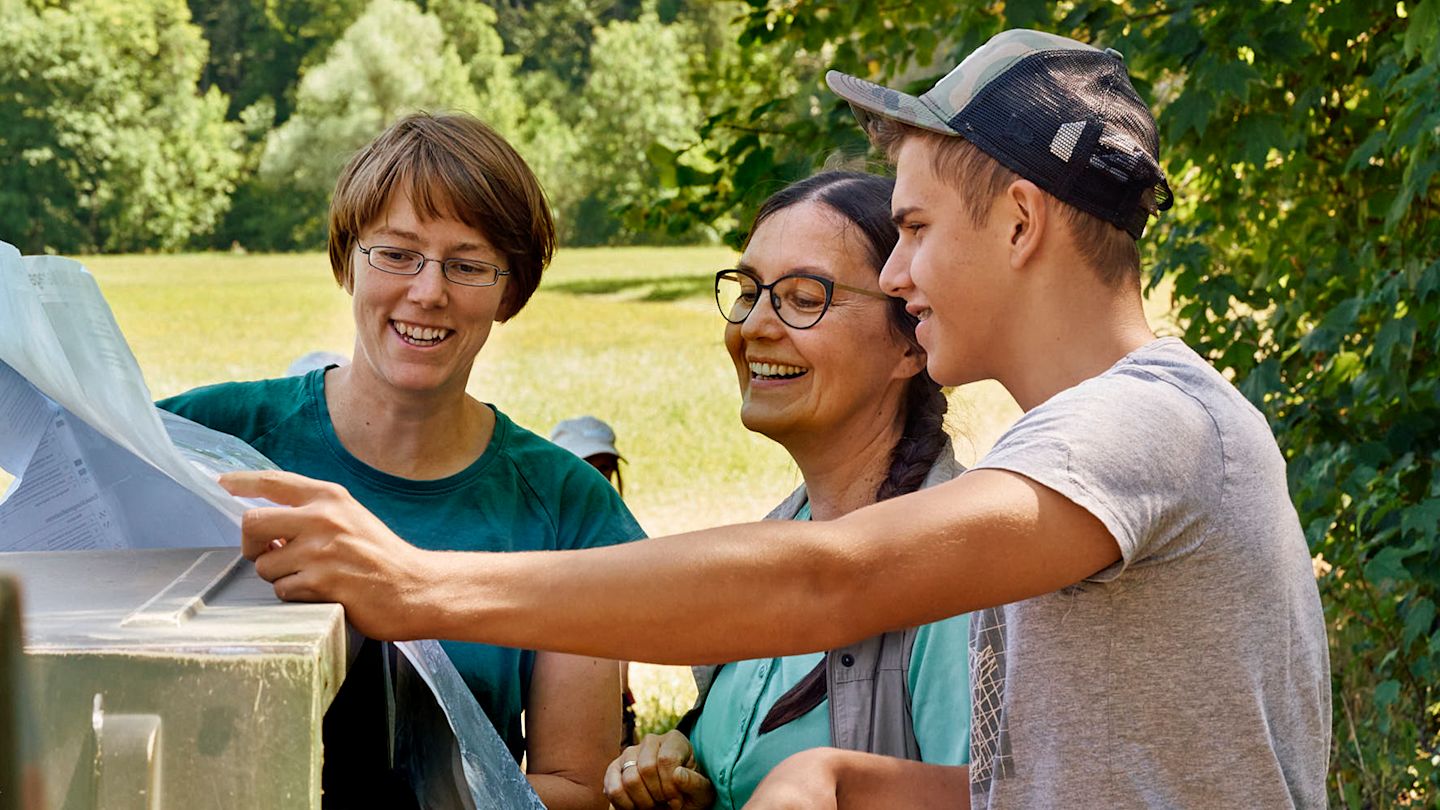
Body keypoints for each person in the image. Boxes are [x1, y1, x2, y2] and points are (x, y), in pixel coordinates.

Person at [221, 29, 1330, 808]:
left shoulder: (1149, 426)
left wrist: (415, 584)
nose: (895, 273)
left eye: (913, 228)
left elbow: (824, 580)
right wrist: (839, 779)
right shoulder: (1078, 450)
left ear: (1023, 223)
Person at [162, 112, 644, 810]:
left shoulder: (570, 507)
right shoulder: (203, 436)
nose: (428, 291)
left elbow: (573, 785)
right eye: (396, 253)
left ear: (510, 290)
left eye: (468, 264)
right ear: (345, 261)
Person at [601, 171, 970, 810]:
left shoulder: (956, 580)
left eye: (804, 298)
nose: (754, 326)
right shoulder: (779, 538)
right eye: (747, 291)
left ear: (911, 342)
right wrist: (690, 764)